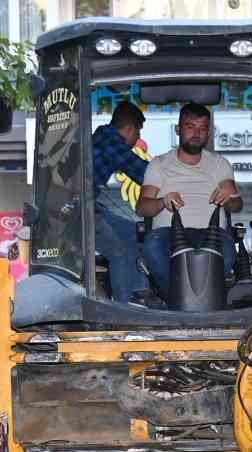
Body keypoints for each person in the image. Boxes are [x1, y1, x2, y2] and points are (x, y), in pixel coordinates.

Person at [138, 103, 240, 297]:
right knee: (152, 246)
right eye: (190, 127)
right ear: (178, 129)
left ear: (208, 133)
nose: (196, 134)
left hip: (212, 233)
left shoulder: (219, 164)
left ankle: (207, 299)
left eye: (202, 129)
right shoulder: (159, 164)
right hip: (169, 234)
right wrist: (162, 202)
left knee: (227, 250)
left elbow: (236, 205)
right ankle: (176, 299)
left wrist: (229, 198)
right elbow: (142, 208)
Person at [92, 101, 151, 305]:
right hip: (78, 211)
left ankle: (140, 292)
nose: (138, 140)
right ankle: (125, 305)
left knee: (134, 232)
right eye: (137, 133)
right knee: (119, 252)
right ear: (128, 128)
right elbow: (141, 171)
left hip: (89, 207)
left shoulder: (103, 136)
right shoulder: (111, 141)